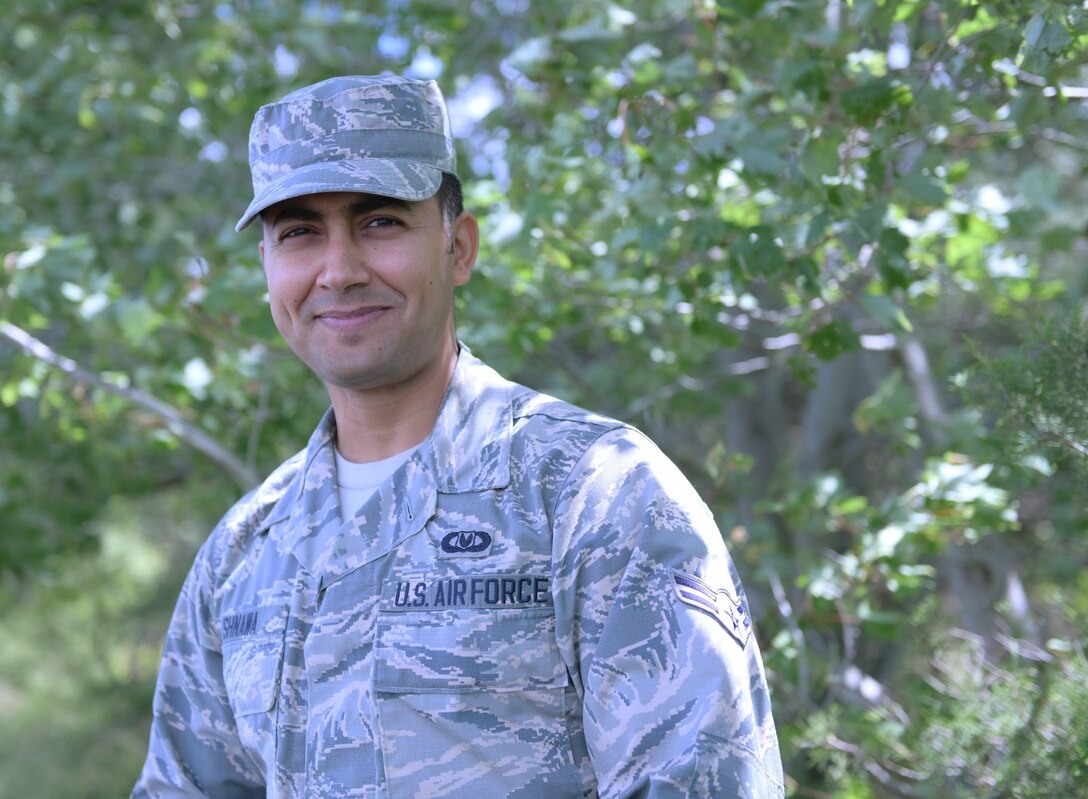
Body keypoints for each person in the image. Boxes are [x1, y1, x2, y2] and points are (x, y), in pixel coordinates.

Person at [132, 74, 785, 799]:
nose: (339, 270)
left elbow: (706, 781)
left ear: (459, 246)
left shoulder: (594, 494)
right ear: (267, 268)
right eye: (299, 233)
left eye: (379, 222)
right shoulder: (243, 551)